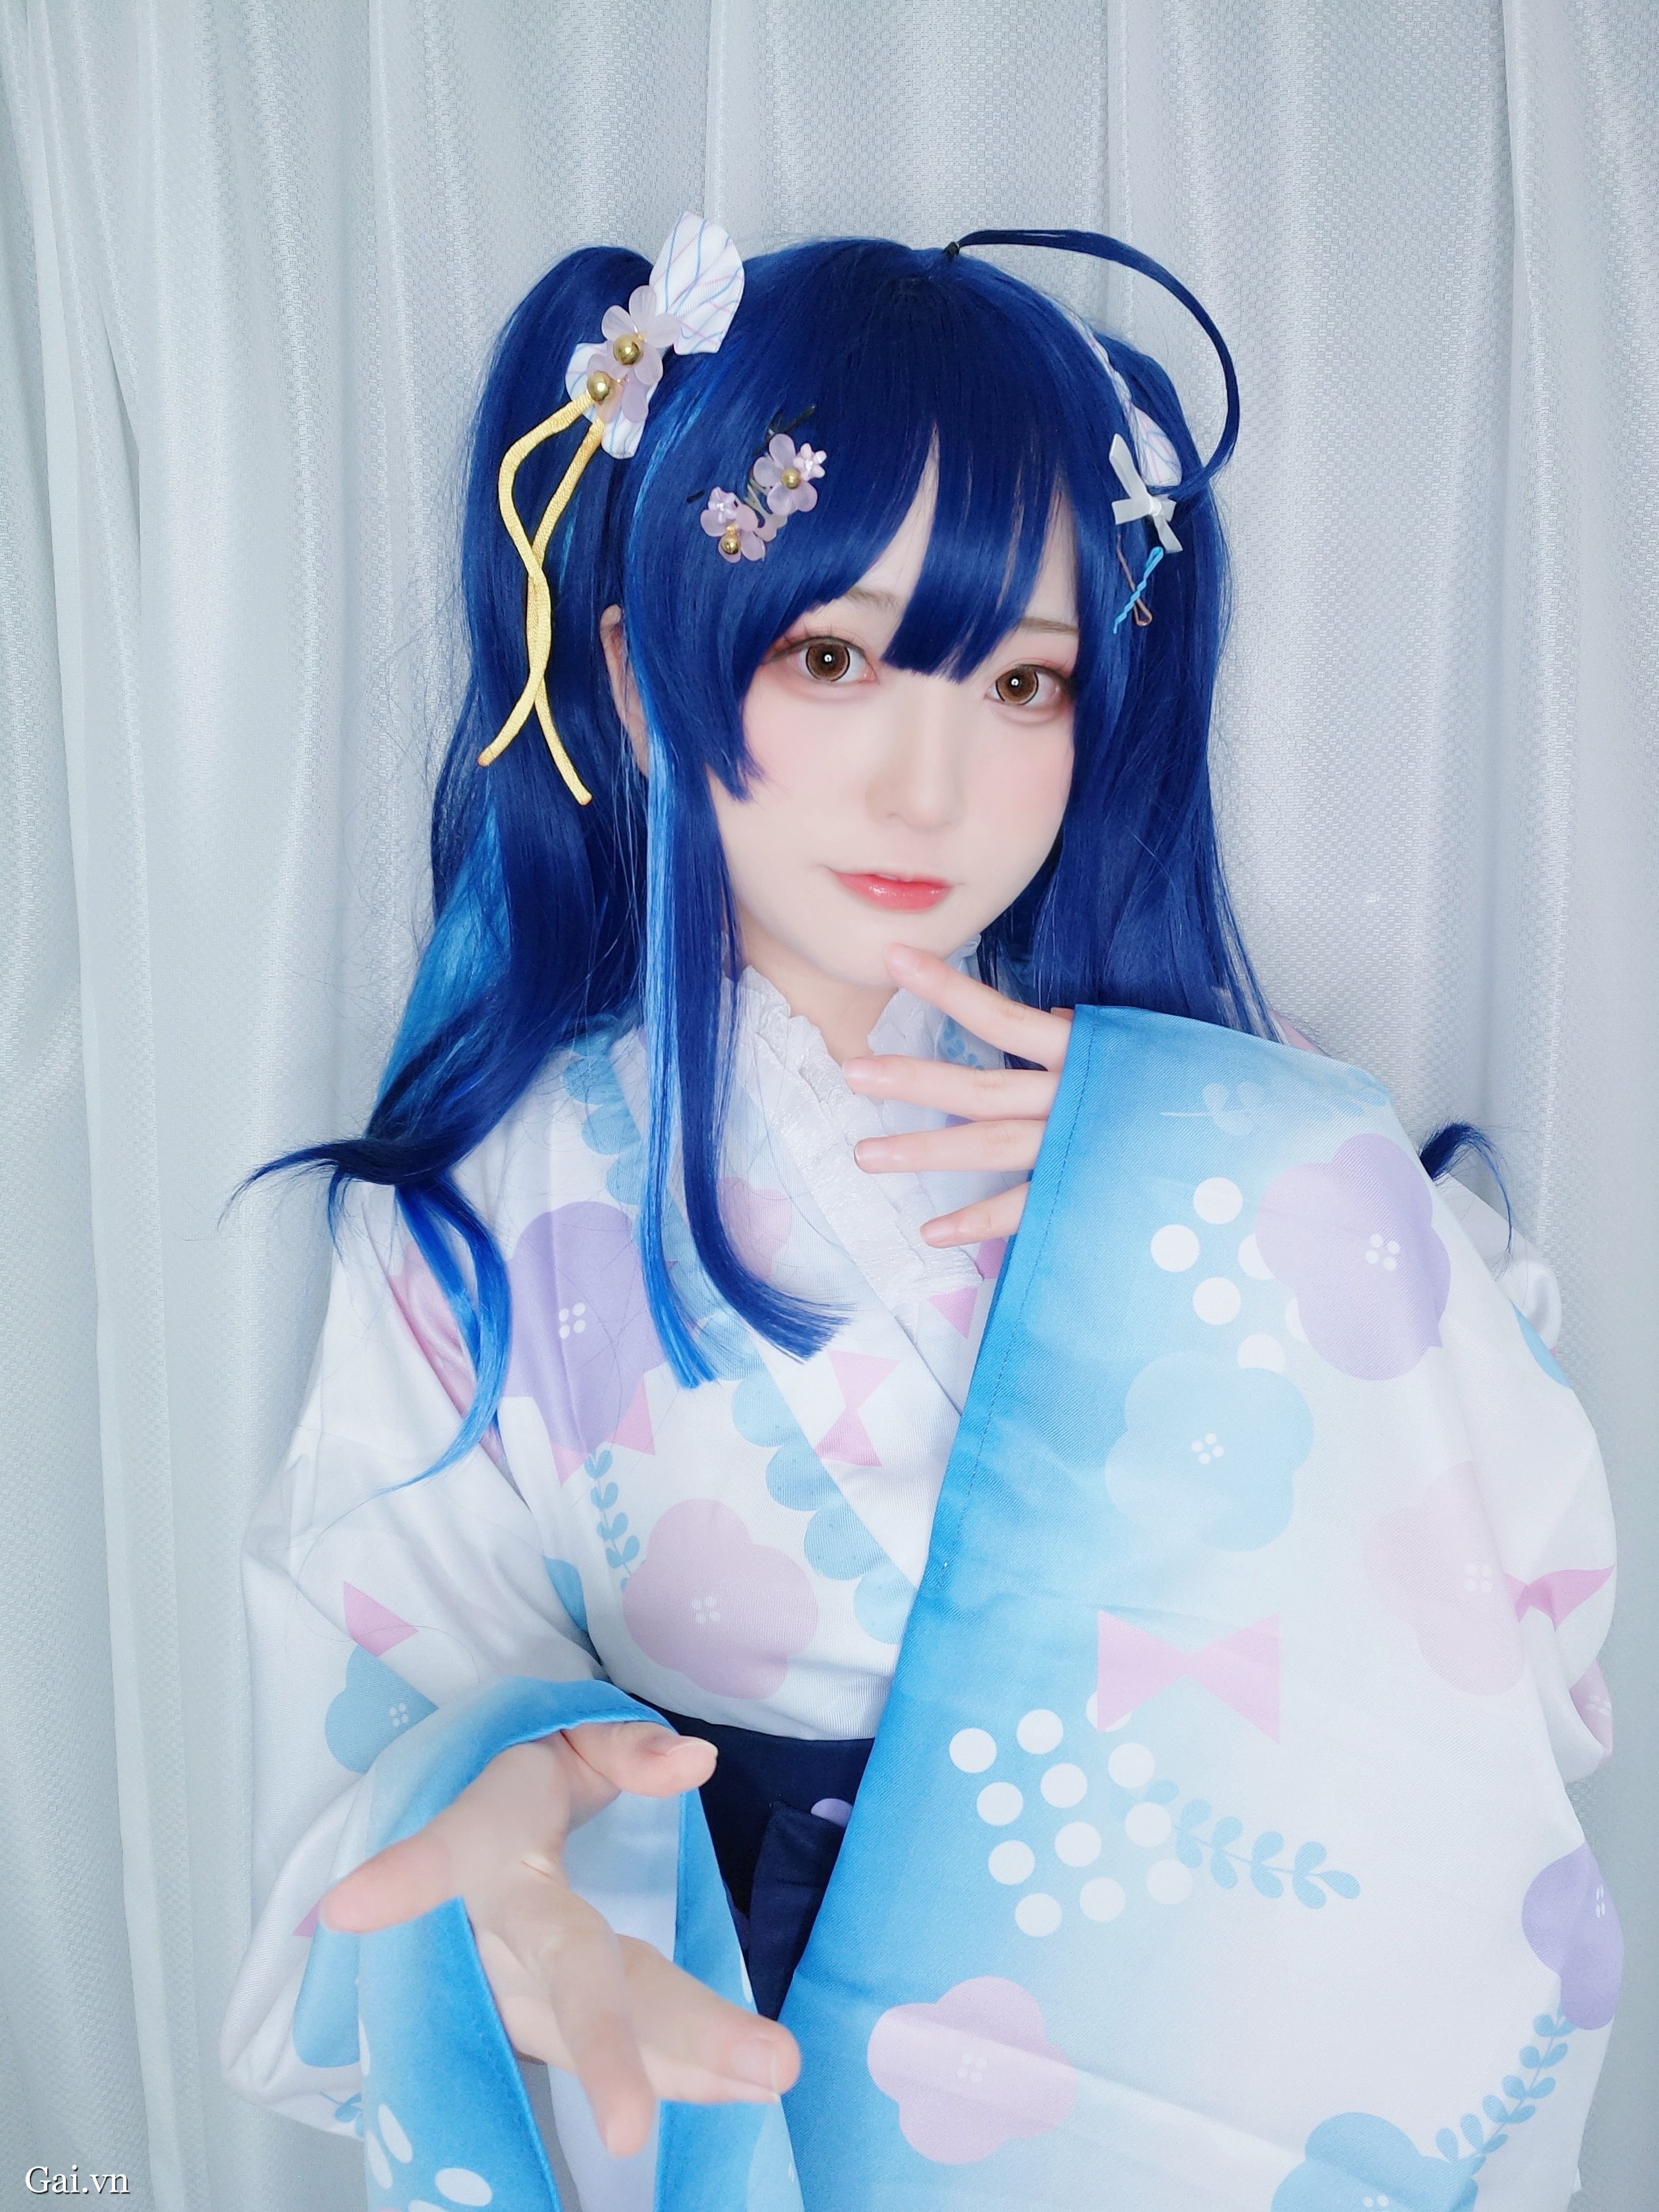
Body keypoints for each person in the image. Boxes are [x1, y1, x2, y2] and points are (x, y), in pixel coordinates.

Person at [221, 219, 1615, 2211]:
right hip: (745, 2077)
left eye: (1024, 681)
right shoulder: (497, 1199)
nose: (930, 785)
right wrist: (508, 1835)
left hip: (1196, 2036)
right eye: (832, 657)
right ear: (634, 682)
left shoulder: (1231, 1128)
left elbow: (1528, 1612)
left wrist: (1219, 1200)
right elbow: (381, 1710)